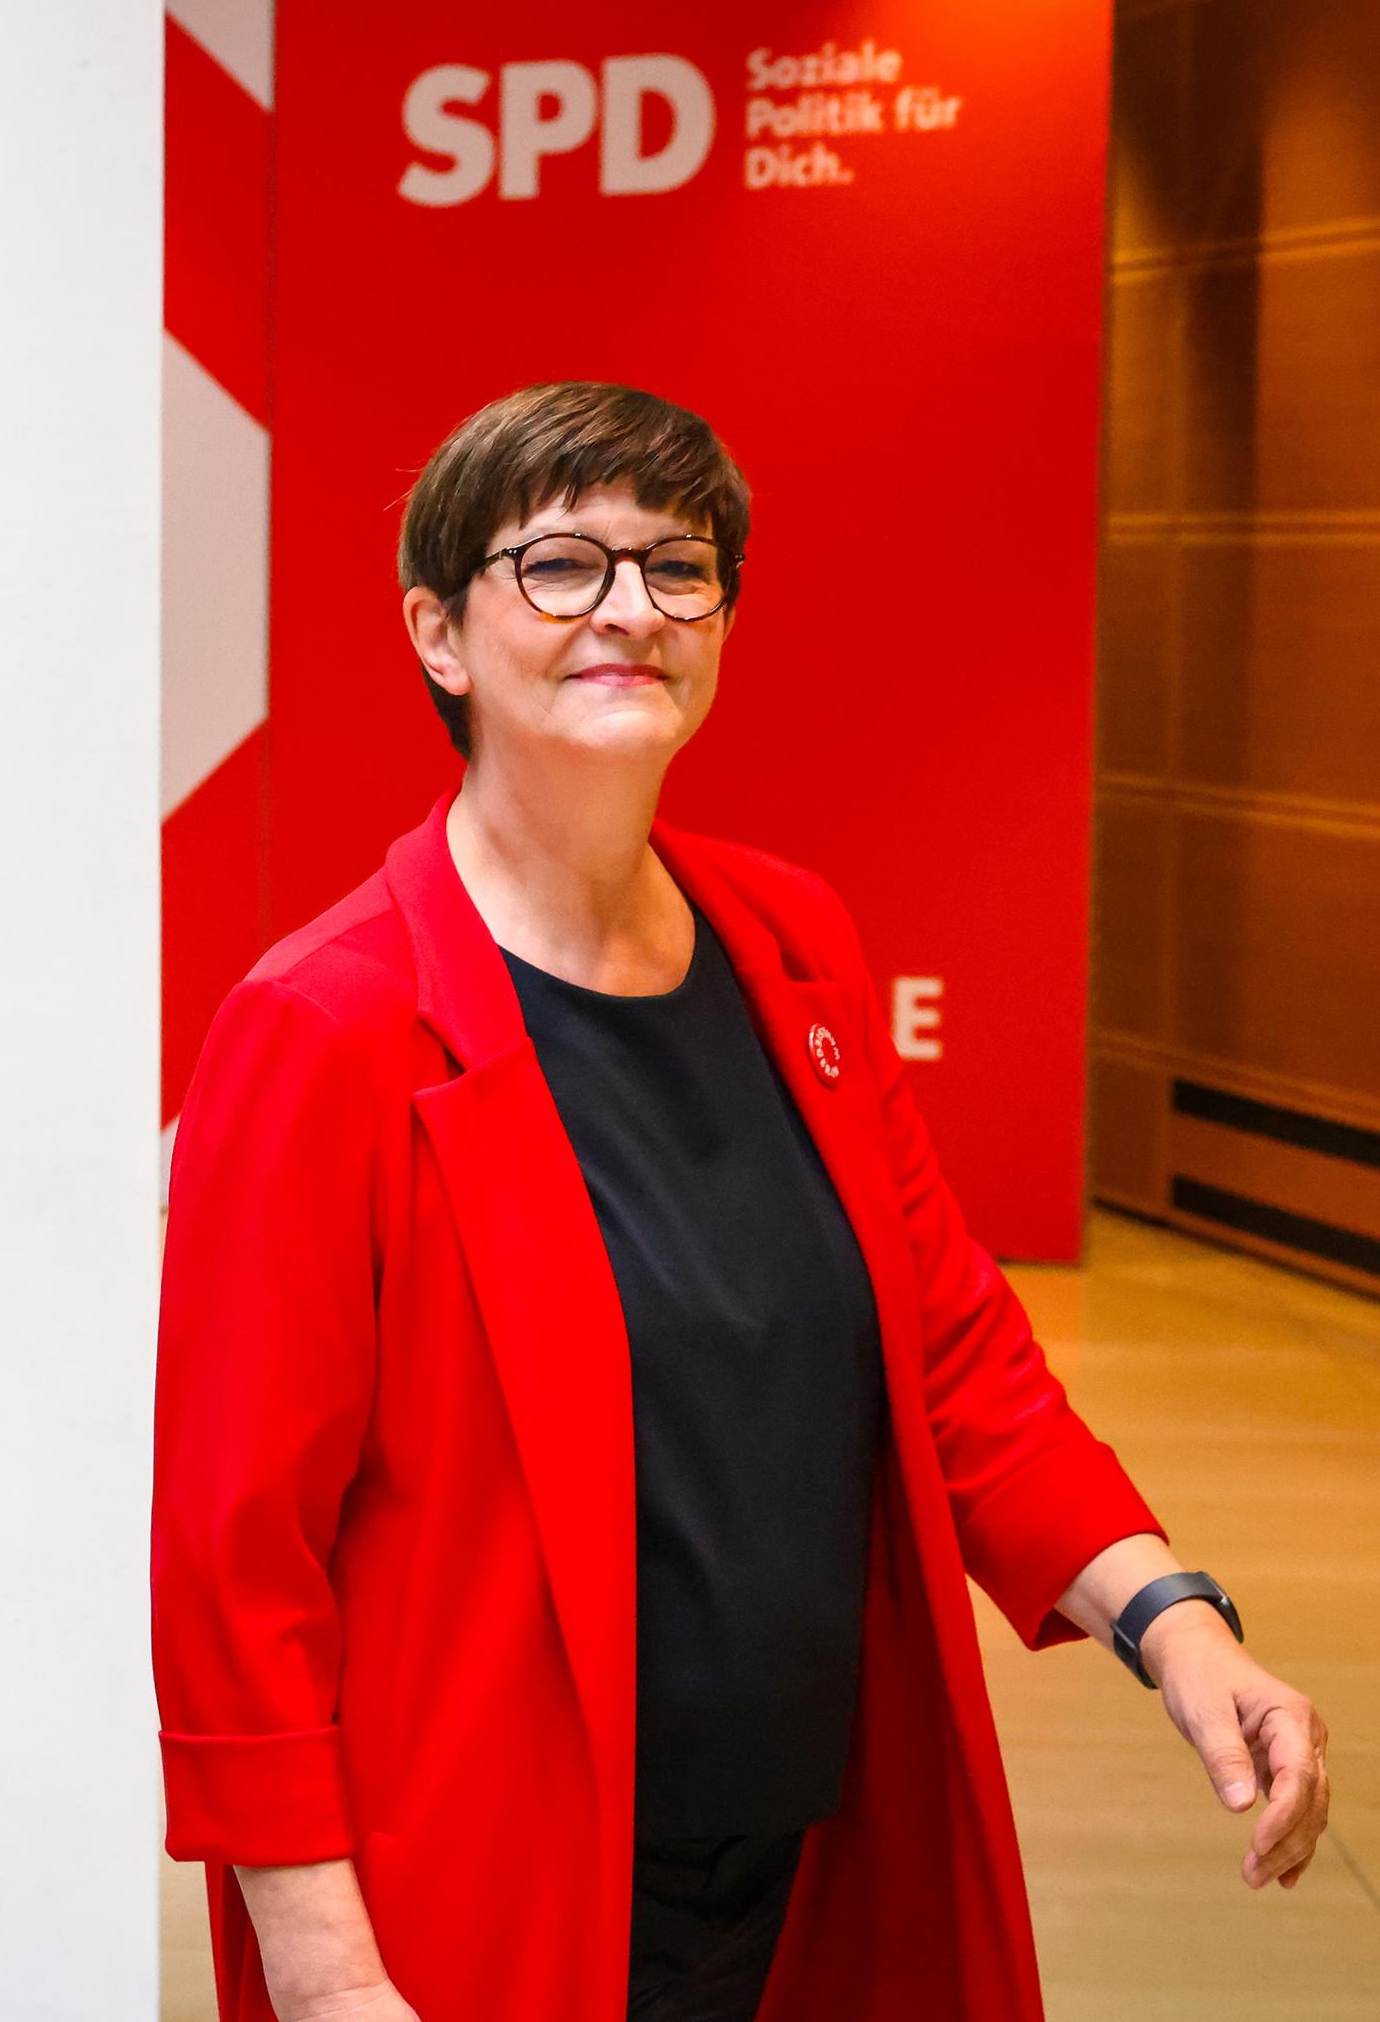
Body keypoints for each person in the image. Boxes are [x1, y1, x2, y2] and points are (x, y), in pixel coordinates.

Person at [153, 381, 1334, 2022]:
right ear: (438, 633)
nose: (631, 608)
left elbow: (950, 1354)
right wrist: (322, 1962)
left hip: (800, 1858)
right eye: (562, 565)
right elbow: (236, 1561)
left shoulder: (794, 948)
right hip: (490, 1880)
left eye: (677, 563)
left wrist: (1173, 1620)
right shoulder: (327, 1026)